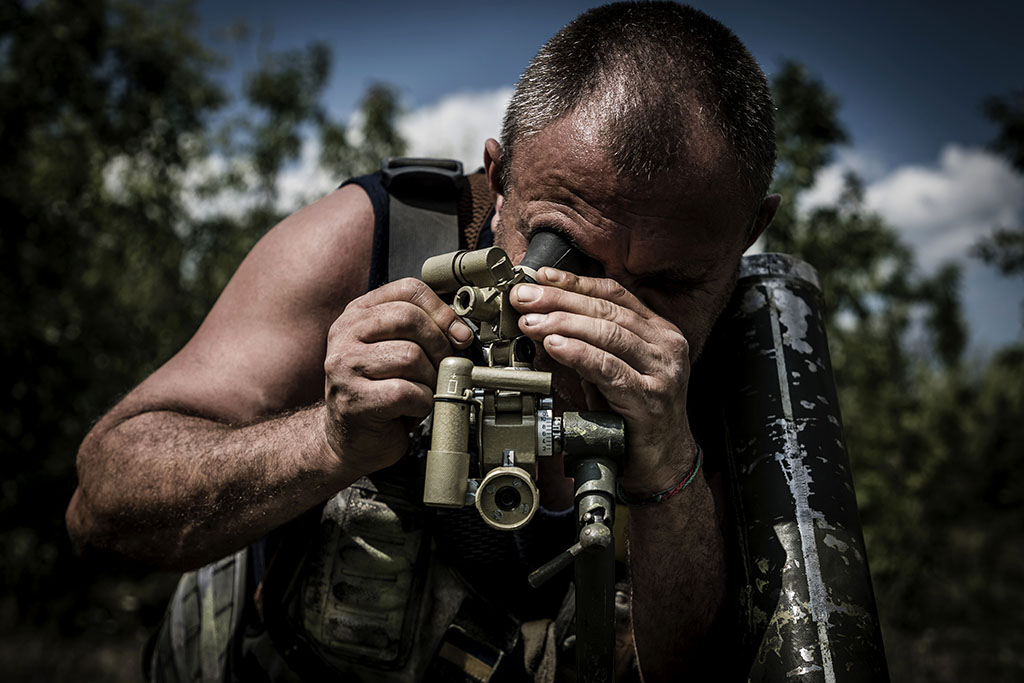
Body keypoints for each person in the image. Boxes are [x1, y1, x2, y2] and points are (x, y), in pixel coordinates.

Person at [67, 2, 780, 680]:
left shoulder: (760, 355)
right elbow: (101, 505)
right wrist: (325, 441)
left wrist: (668, 474)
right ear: (499, 178)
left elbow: (691, 668)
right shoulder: (370, 241)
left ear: (748, 232)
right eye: (569, 255)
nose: (607, 307)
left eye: (671, 283)